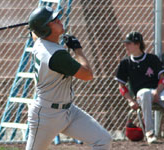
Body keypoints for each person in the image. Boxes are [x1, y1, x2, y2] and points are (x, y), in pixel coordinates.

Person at [26, 6, 112, 150]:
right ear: (45, 29)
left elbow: (35, 34)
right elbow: (87, 74)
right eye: (54, 20)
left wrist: (35, 24)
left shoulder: (40, 42)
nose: (59, 20)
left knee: (103, 140)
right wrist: (77, 49)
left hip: (68, 111)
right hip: (46, 115)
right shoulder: (56, 55)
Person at [115, 31, 164, 144]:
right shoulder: (125, 63)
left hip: (157, 92)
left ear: (137, 44)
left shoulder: (152, 59)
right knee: (145, 93)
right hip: (141, 95)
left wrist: (157, 92)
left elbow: (163, 79)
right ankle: (150, 133)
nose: (126, 46)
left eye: (129, 43)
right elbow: (121, 86)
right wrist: (130, 101)